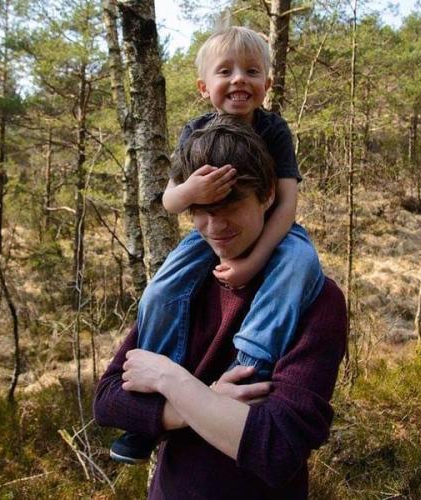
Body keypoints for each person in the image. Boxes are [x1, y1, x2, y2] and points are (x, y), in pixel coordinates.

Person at [93, 119, 347, 499]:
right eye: (200, 209)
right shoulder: (183, 289)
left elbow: (276, 448)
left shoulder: (315, 300)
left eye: (230, 204)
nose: (214, 225)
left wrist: (169, 381)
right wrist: (206, 399)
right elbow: (109, 400)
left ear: (266, 197)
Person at [111, 26, 325, 463]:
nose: (239, 79)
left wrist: (257, 260)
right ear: (203, 87)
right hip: (205, 237)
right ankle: (147, 404)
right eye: (225, 71)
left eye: (251, 70)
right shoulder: (196, 131)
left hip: (271, 231)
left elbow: (285, 205)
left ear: (267, 83)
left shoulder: (274, 130)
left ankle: (246, 370)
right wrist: (191, 191)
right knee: (160, 291)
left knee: (301, 265)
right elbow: (170, 202)